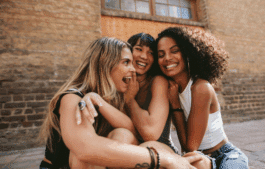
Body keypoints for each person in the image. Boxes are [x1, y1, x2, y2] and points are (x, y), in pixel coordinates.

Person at [38, 37, 203, 169]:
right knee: (86, 156)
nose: (133, 69)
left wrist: (99, 100)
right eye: (126, 62)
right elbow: (86, 149)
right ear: (105, 64)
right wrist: (163, 159)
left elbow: (130, 130)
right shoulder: (72, 97)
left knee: (126, 136)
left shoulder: (110, 97)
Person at [156, 27, 249, 169]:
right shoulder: (171, 90)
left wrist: (175, 104)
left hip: (225, 155)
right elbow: (187, 149)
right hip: (199, 158)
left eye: (174, 51)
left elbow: (190, 146)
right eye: (161, 54)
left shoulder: (200, 88)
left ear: (188, 53)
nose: (167, 58)